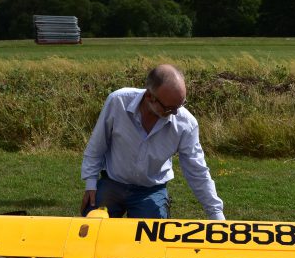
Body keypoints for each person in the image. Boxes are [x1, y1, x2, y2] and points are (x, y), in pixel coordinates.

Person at [80, 64, 225, 221]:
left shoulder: (186, 124)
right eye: (170, 108)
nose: (176, 113)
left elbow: (197, 170)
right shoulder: (117, 102)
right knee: (92, 230)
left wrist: (216, 215)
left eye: (181, 104)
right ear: (149, 96)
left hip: (151, 190)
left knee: (154, 238)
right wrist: (91, 184)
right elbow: (97, 145)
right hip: (113, 182)